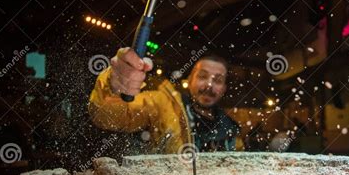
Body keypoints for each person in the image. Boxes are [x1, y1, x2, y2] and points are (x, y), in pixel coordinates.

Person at [89, 48, 243, 153]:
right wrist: (113, 84)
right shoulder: (160, 103)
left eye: (218, 80)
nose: (209, 85)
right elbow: (106, 116)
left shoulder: (231, 132)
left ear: (223, 89)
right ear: (189, 81)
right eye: (202, 76)